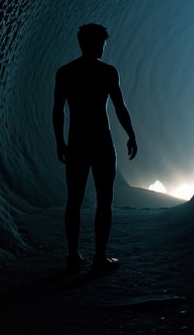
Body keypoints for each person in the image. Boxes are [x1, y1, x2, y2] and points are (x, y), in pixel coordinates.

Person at [53, 23, 137, 274]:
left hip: (77, 140)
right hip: (101, 141)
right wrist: (131, 134)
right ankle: (100, 257)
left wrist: (60, 141)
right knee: (104, 201)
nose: (103, 47)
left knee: (74, 201)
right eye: (102, 43)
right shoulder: (108, 72)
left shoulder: (65, 72)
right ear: (95, 43)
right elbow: (119, 107)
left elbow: (58, 110)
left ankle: (72, 257)